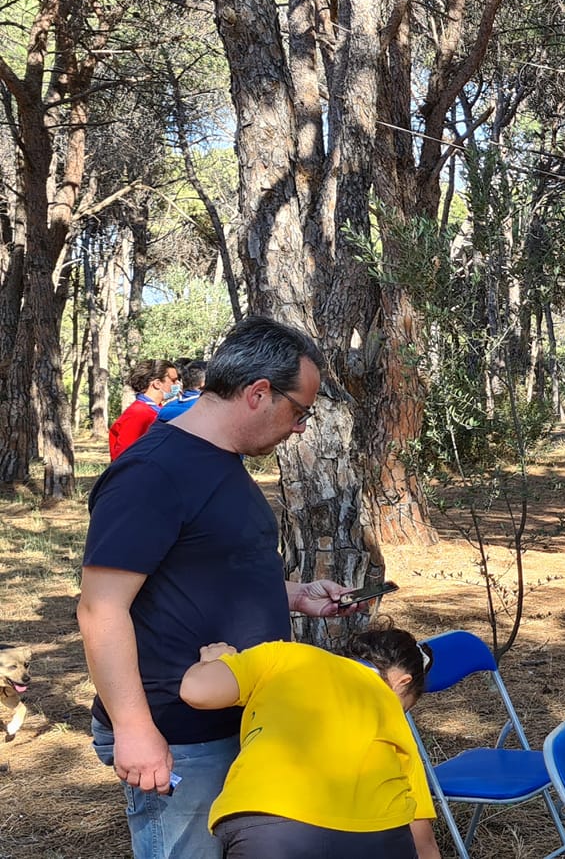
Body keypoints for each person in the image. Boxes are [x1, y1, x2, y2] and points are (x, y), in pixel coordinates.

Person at [78, 316, 357, 859]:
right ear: (258, 393)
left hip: (237, 715)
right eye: (299, 411)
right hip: (178, 731)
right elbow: (100, 609)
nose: (300, 428)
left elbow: (208, 572)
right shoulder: (153, 472)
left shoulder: (221, 462)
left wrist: (295, 595)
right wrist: (135, 729)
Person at [178, 626, 440, 858]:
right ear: (402, 682)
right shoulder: (388, 704)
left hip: (270, 826)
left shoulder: (287, 655)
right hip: (377, 836)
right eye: (406, 707)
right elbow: (423, 841)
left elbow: (196, 691)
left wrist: (214, 662)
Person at [110, 360, 179, 461]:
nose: (178, 384)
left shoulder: (155, 409)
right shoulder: (138, 414)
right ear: (157, 383)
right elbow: (125, 457)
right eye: (173, 380)